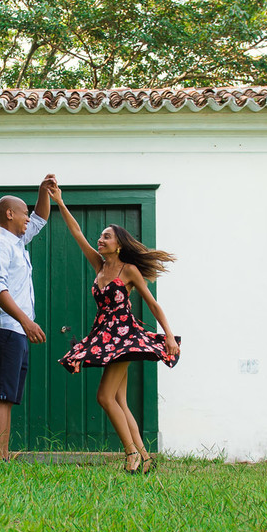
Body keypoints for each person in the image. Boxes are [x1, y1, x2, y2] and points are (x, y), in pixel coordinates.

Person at [51, 184, 180, 475]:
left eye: (106, 236)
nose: (100, 239)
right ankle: (145, 458)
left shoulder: (129, 271)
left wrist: (169, 335)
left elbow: (153, 305)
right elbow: (77, 234)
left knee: (105, 397)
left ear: (119, 243)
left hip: (125, 337)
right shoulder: (99, 266)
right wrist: (59, 201)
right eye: (101, 236)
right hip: (104, 336)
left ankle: (130, 453)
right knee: (119, 399)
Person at [0, 175, 56, 460]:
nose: (28, 218)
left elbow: (41, 218)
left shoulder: (17, 242)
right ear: (9, 214)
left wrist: (42, 191)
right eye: (24, 212)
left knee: (8, 395)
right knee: (0, 394)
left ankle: (3, 455)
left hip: (15, 329)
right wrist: (26, 320)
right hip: (4, 328)